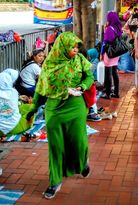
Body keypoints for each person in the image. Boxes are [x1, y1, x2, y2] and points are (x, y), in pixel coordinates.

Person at [26, 32, 94, 199]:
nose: (76, 49)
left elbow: (90, 77)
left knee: (79, 141)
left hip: (75, 106)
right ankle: (54, 181)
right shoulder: (49, 65)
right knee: (56, 147)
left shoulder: (79, 60)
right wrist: (33, 108)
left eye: (77, 46)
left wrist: (82, 86)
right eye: (73, 46)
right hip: (54, 110)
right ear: (62, 47)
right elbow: (40, 89)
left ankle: (82, 161)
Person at [0, 69, 35, 138]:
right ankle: (28, 125)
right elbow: (16, 105)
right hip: (16, 127)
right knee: (32, 107)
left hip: (0, 130)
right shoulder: (13, 92)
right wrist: (29, 103)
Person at [100, 11, 122, 99]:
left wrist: (101, 53)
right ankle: (116, 92)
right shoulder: (118, 27)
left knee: (108, 73)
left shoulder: (110, 29)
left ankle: (107, 93)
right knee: (114, 72)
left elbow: (105, 43)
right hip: (116, 53)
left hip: (109, 53)